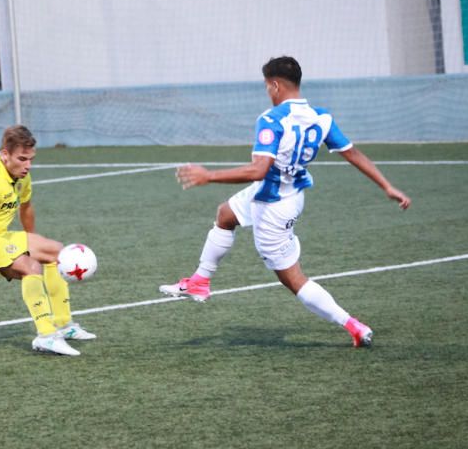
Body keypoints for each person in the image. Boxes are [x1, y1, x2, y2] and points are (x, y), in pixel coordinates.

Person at [158, 56, 411, 347]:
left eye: (268, 86)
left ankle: (352, 325)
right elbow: (353, 154)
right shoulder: (321, 117)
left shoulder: (271, 119)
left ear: (275, 85)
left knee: (293, 279)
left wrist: (208, 176)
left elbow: (257, 170)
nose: (268, 92)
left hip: (272, 207)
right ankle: (200, 280)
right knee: (225, 214)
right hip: (282, 193)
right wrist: (387, 186)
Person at [0, 124, 96, 356]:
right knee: (31, 267)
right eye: (22, 158)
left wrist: (31, 240)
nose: (28, 165)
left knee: (55, 252)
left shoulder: (21, 175)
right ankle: (46, 336)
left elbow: (26, 207)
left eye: (31, 159)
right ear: (4, 154)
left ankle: (63, 324)